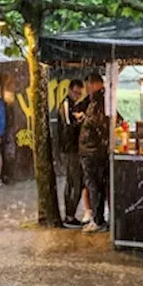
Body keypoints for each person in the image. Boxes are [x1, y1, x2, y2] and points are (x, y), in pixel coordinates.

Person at [78, 74, 110, 232]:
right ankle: (99, 218)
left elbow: (99, 122)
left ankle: (98, 220)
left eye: (88, 85)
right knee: (95, 185)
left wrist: (86, 120)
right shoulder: (94, 101)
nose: (86, 90)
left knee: (95, 186)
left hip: (94, 150)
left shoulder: (100, 102)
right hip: (92, 149)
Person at [56, 79, 86, 226]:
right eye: (75, 93)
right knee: (76, 182)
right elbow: (68, 127)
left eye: (79, 94)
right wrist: (80, 120)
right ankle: (69, 215)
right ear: (69, 90)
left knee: (72, 182)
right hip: (70, 149)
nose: (77, 96)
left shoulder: (72, 105)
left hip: (71, 149)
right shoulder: (66, 105)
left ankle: (69, 215)